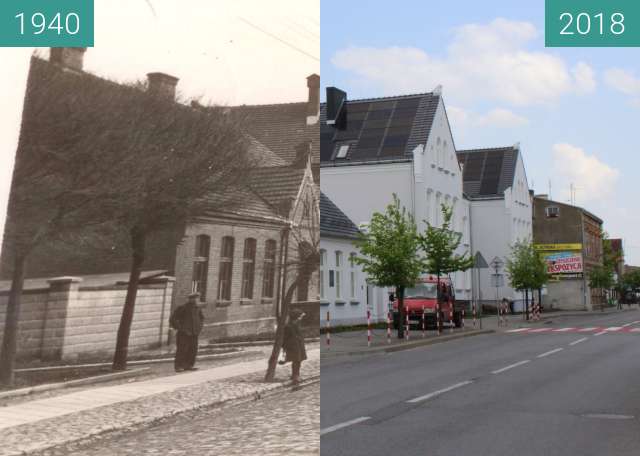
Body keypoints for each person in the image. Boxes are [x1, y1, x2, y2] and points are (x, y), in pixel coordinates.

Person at [170, 292, 205, 372]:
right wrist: (181, 328)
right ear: (191, 299)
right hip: (184, 334)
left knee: (193, 350)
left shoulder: (198, 308)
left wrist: (199, 328)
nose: (197, 300)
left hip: (194, 333)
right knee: (182, 350)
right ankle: (178, 366)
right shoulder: (183, 308)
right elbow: (173, 319)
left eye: (198, 298)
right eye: (196, 298)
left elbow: (202, 318)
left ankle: (189, 365)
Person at [282, 309, 307, 384]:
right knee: (296, 360)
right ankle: (296, 376)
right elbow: (286, 337)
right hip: (293, 346)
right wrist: (285, 346)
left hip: (298, 345)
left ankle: (295, 375)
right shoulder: (290, 326)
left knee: (297, 360)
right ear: (296, 317)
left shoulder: (296, 324)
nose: (301, 318)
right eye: (300, 317)